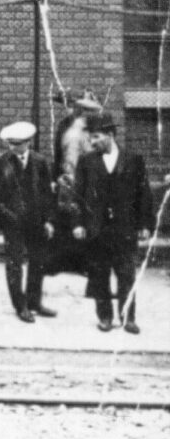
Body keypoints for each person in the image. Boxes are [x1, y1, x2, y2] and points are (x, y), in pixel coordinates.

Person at [71, 113, 149, 334]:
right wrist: (78, 223)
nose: (93, 142)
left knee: (127, 274)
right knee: (99, 275)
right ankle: (104, 317)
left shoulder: (134, 159)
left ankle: (128, 318)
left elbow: (144, 193)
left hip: (125, 229)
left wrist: (144, 224)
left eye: (96, 137)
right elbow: (78, 195)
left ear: (110, 135)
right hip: (97, 229)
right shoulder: (87, 161)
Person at [0, 120, 57, 323]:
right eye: (11, 143)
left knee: (38, 263)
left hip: (36, 221)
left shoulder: (40, 162)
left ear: (28, 143)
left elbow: (48, 194)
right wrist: (6, 215)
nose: (13, 148)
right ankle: (20, 306)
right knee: (15, 264)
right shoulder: (0, 163)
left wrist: (49, 220)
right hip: (12, 222)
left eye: (18, 144)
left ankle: (34, 302)